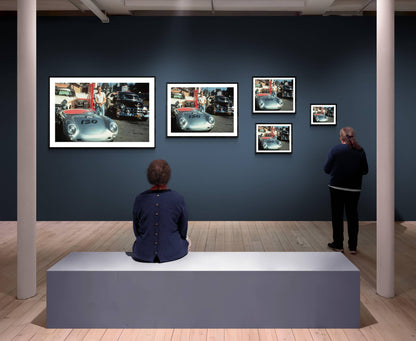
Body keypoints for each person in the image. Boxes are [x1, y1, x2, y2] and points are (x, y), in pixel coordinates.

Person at [132, 160, 189, 263]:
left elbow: (137, 230)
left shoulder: (139, 199)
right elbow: (183, 229)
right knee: (187, 240)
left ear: (149, 174)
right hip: (173, 252)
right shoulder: (178, 198)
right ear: (168, 175)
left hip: (142, 253)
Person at [324, 127, 368, 254]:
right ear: (353, 137)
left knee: (337, 216)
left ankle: (338, 244)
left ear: (340, 138)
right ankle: (353, 247)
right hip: (354, 189)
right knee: (353, 217)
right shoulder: (360, 151)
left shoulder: (335, 150)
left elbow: (326, 169)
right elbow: (365, 170)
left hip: (336, 187)